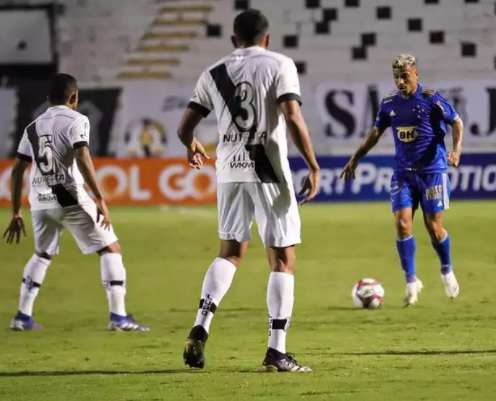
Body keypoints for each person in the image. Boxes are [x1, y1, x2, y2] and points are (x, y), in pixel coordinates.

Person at [177, 9, 320, 372]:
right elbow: (292, 116)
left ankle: (201, 325)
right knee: (282, 258)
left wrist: (192, 145)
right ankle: (277, 350)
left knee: (230, 251)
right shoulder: (280, 64)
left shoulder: (213, 72)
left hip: (228, 166)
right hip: (266, 163)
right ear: (267, 39)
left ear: (233, 40)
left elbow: (185, 128)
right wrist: (313, 164)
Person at [4, 73, 149, 332]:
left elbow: (17, 171)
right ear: (74, 97)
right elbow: (82, 155)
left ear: (49, 98)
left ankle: (22, 316)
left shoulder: (32, 127)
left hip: (38, 199)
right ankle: (119, 317)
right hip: (67, 195)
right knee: (110, 248)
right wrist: (100, 197)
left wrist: (16, 212)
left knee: (42, 254)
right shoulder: (77, 119)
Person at [340, 54, 463, 306]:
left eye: (405, 76)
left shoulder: (432, 100)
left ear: (416, 74)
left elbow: (457, 122)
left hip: (433, 172)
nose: (400, 81)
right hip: (403, 173)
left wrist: (456, 149)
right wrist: (355, 158)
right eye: (396, 77)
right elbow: (374, 134)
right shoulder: (389, 104)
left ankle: (446, 270)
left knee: (434, 228)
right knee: (403, 224)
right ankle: (411, 281)